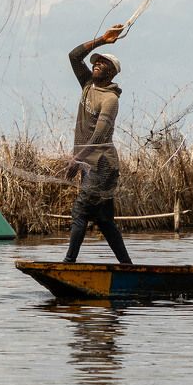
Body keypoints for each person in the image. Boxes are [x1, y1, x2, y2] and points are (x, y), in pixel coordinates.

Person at [62, 24, 132, 265]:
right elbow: (73, 56)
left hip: (102, 166)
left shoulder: (110, 99)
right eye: (96, 61)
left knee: (80, 212)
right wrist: (103, 39)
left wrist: (77, 158)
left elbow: (100, 136)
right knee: (104, 220)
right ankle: (127, 266)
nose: (96, 64)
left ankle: (68, 264)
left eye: (103, 63)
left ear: (112, 73)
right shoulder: (87, 85)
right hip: (88, 162)